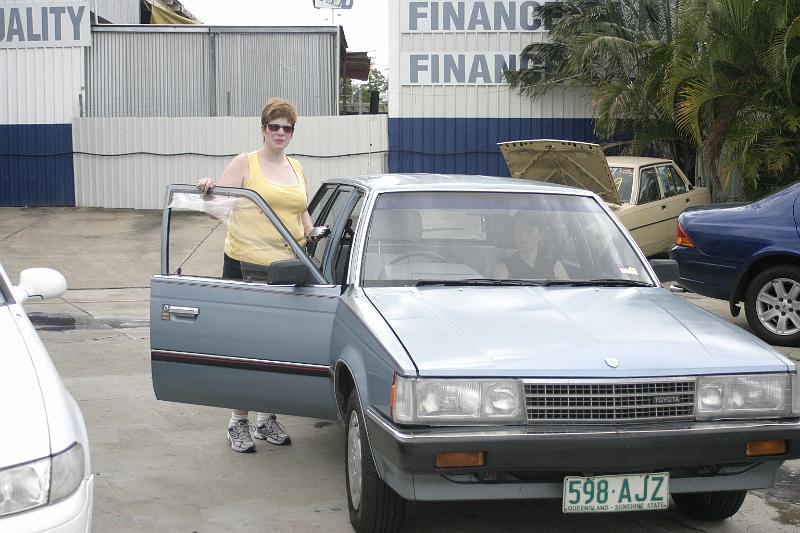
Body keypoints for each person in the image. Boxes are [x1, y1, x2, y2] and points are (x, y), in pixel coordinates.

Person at [196, 98, 318, 453]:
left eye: (287, 127)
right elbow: (216, 210)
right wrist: (207, 190)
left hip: (287, 268)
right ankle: (238, 421)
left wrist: (316, 233)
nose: (281, 132)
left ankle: (266, 419)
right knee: (245, 347)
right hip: (245, 264)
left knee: (278, 347)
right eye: (274, 126)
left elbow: (302, 213)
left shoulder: (296, 167)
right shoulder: (245, 163)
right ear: (263, 128)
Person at [493, 210, 568, 280]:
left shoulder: (555, 266)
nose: (523, 235)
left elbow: (568, 292)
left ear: (541, 234)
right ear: (513, 234)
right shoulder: (503, 269)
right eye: (519, 230)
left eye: (530, 230)